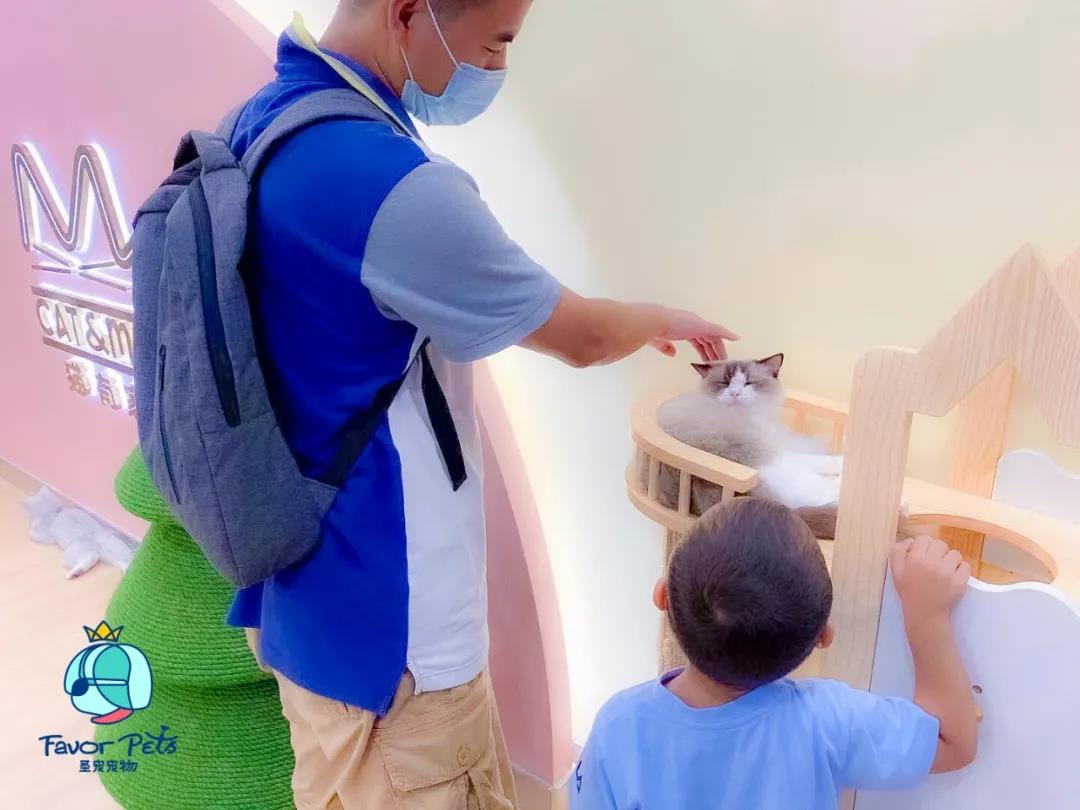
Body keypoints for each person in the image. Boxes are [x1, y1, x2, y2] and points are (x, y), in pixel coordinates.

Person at [224, 1, 738, 808]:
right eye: (497, 44)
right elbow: (580, 335)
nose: (496, 68)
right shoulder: (384, 181)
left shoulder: (265, 123)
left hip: (300, 586)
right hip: (396, 634)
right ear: (408, 13)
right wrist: (661, 319)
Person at [572, 499, 979, 809]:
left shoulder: (618, 725)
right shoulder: (827, 722)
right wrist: (927, 617)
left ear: (662, 596)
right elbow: (952, 742)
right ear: (823, 637)